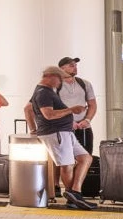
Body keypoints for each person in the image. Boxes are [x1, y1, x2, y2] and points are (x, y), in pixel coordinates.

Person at [28, 65, 97, 209]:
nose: (61, 82)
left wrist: (34, 128)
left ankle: (75, 193)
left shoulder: (45, 91)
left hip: (64, 131)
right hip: (56, 132)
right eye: (60, 79)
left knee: (86, 158)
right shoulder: (43, 93)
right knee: (67, 165)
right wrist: (71, 110)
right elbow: (49, 114)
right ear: (50, 76)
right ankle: (73, 198)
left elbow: (27, 108)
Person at [56, 56, 98, 156]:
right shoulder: (55, 85)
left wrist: (87, 120)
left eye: (75, 65)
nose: (75, 68)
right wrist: (68, 122)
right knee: (67, 159)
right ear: (62, 68)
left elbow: (92, 104)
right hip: (64, 128)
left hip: (83, 128)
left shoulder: (85, 84)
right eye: (71, 66)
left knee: (87, 157)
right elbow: (52, 109)